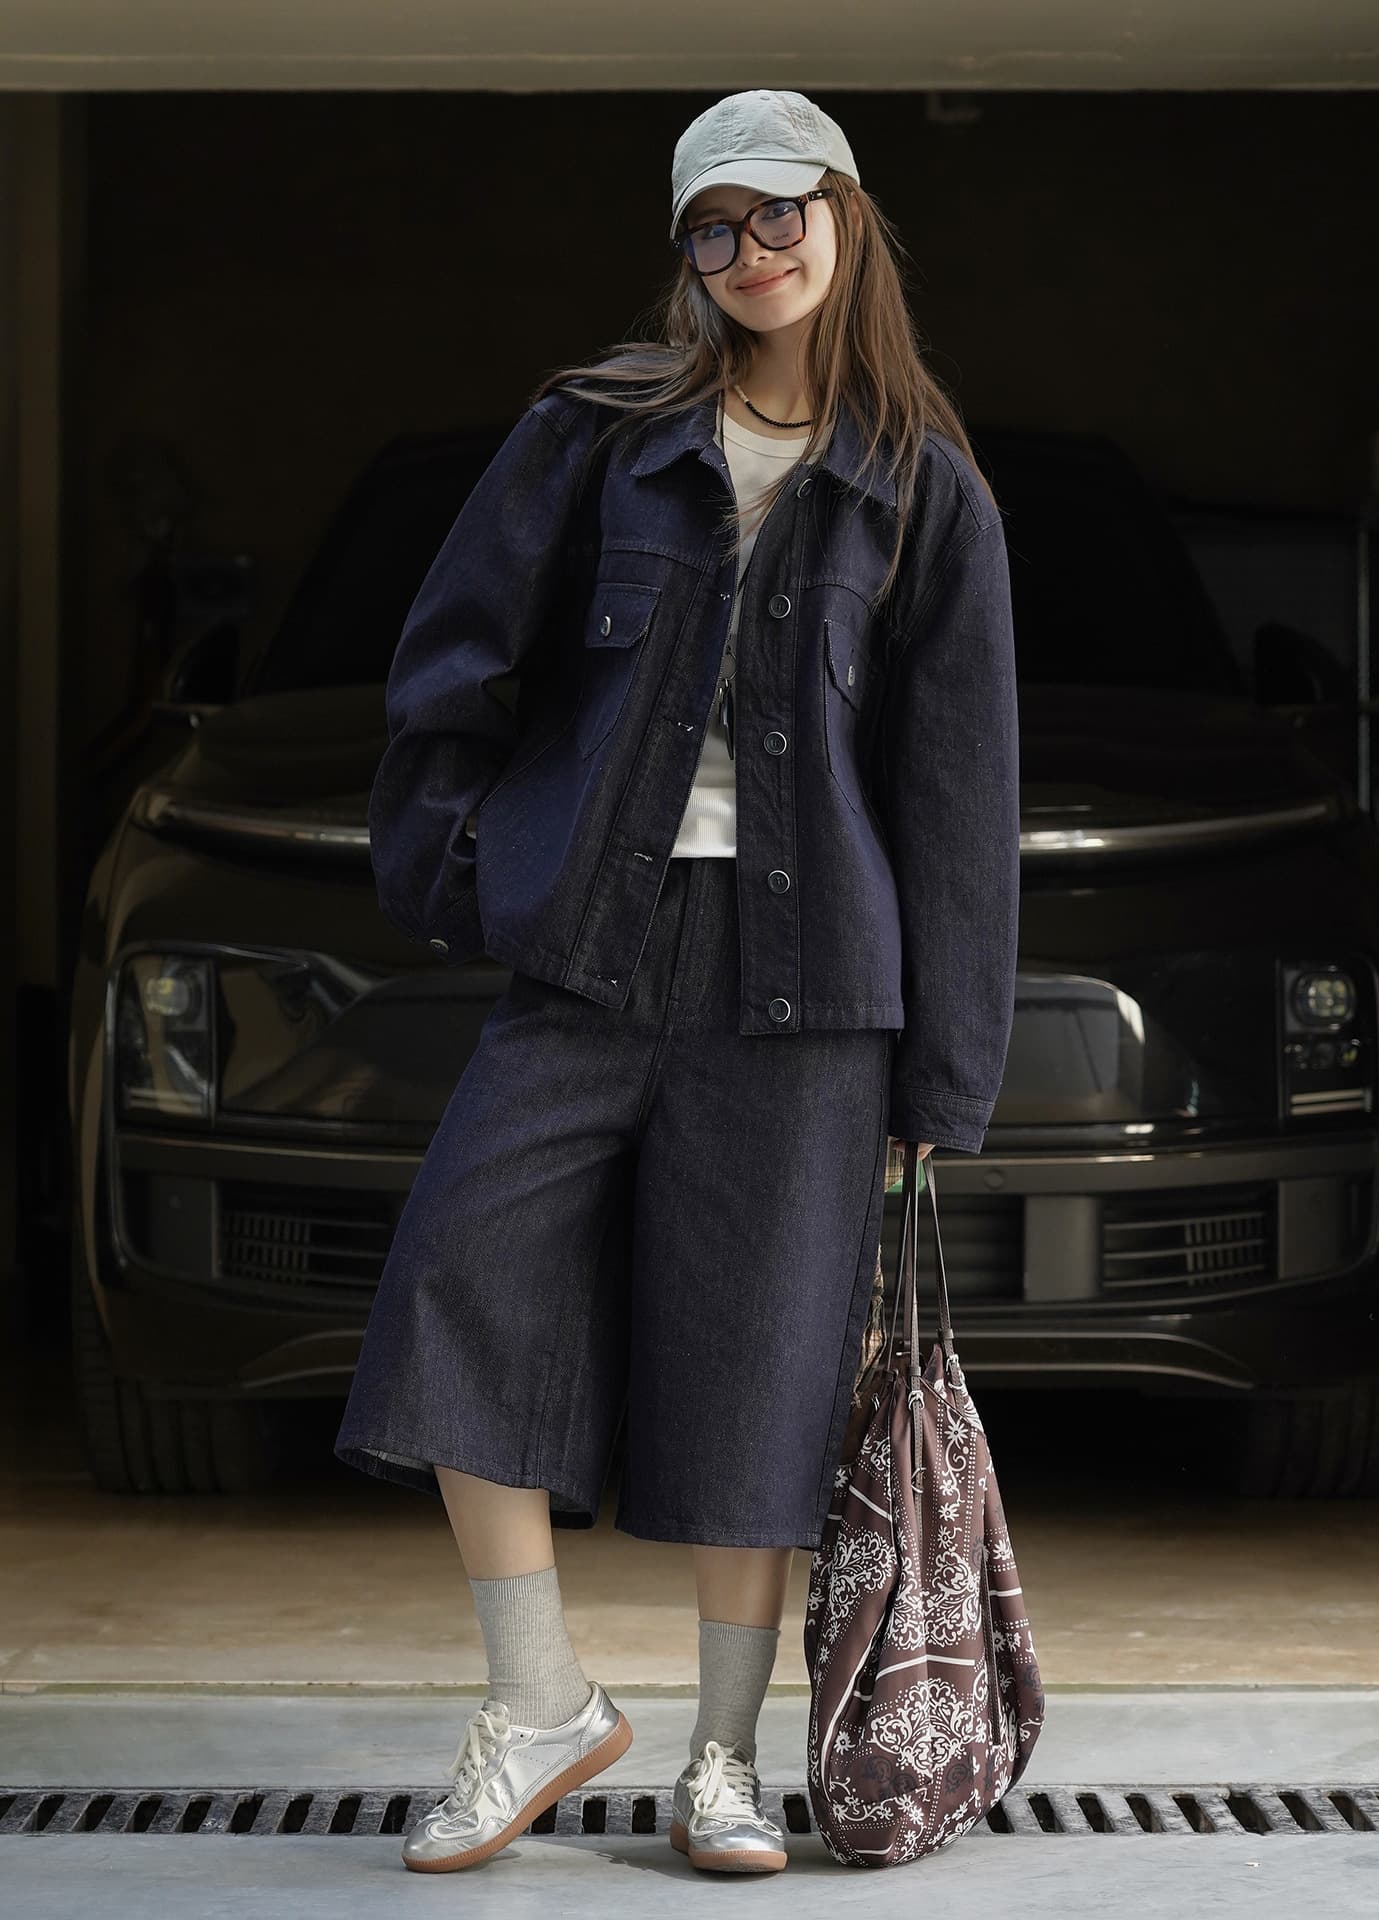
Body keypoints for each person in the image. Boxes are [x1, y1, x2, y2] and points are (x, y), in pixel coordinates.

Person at [333, 87, 1019, 1877]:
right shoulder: (594, 436)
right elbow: (450, 667)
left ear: (845, 219)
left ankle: (725, 1763)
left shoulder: (923, 486)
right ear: (686, 255)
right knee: (458, 1276)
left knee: (764, 1364)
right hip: (591, 950)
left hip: (811, 990)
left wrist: (941, 1091)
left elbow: (959, 808)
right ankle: (538, 1700)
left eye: (780, 213)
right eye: (714, 225)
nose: (750, 251)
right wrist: (472, 875)